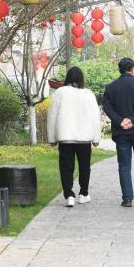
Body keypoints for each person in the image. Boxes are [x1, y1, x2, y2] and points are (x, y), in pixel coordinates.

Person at [47, 66, 102, 207]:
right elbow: (95, 117)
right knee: (85, 166)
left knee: (66, 167)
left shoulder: (60, 93)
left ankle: (69, 195)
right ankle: (84, 194)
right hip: (84, 138)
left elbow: (52, 116)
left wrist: (52, 138)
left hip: (66, 137)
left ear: (68, 78)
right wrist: (96, 138)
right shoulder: (88, 94)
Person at [102, 57, 134, 207]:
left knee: (124, 166)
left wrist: (121, 121)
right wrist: (132, 119)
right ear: (132, 69)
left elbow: (107, 107)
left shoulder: (111, 87)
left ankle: (127, 198)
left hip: (121, 131)